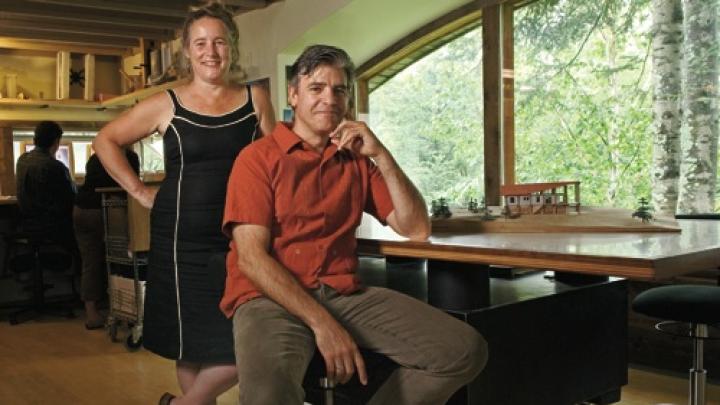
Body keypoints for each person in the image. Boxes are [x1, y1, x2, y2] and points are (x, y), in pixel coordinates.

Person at [222, 44, 488, 404]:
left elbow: (416, 228)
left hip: (343, 293)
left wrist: (381, 154)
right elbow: (251, 259)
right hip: (270, 297)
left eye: (339, 90)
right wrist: (323, 324)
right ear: (294, 94)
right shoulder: (257, 159)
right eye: (316, 88)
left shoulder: (356, 161)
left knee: (463, 350)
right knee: (268, 396)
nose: (329, 99)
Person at [92, 2, 275, 404]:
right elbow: (105, 141)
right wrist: (140, 192)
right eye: (201, 43)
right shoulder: (166, 104)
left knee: (250, 341)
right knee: (188, 341)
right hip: (179, 243)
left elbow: (276, 164)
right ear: (188, 52)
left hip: (242, 239)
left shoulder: (256, 98)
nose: (211, 51)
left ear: (232, 48)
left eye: (220, 42)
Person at [73, 148, 140, 330]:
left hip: (81, 209)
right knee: (123, 258)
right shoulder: (129, 157)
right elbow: (131, 186)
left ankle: (91, 313)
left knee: (90, 262)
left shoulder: (97, 156)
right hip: (109, 208)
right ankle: (127, 308)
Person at [16, 120, 77, 254]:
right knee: (86, 229)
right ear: (56, 142)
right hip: (51, 226)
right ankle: (78, 271)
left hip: (27, 224)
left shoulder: (22, 160)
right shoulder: (56, 167)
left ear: (35, 139)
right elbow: (70, 199)